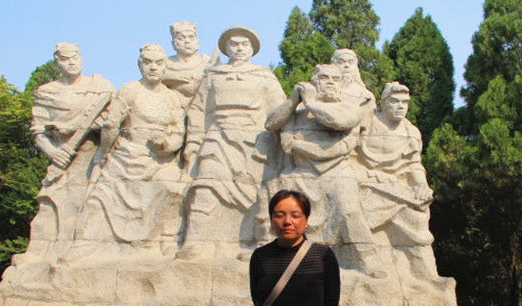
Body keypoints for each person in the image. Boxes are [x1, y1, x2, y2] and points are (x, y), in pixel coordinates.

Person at [62, 44, 185, 262]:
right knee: (99, 198)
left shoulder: (171, 98)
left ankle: (165, 242)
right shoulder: (130, 90)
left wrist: (166, 144)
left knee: (172, 189)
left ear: (166, 66)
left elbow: (179, 131)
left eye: (158, 63)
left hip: (158, 160)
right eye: (148, 63)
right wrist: (106, 152)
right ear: (140, 65)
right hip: (126, 156)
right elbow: (111, 125)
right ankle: (84, 244)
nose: (153, 68)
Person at [265, 64, 385, 277]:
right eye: (324, 78)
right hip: (301, 173)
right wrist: (294, 101)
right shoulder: (297, 114)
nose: (330, 82)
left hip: (338, 172)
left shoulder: (349, 108)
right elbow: (271, 124)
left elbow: (341, 123)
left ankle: (367, 259)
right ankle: (276, 255)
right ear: (314, 82)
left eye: (336, 79)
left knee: (350, 209)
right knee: (283, 207)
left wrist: (310, 105)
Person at [178, 26, 286, 261]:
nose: (239, 48)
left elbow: (278, 111)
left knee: (259, 194)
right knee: (205, 187)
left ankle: (261, 242)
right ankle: (194, 242)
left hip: (254, 143)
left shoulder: (264, 75)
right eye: (234, 44)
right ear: (226, 48)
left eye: (244, 44)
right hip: (217, 139)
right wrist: (193, 142)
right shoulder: (213, 75)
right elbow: (198, 110)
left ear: (253, 50)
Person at [24, 43, 114, 259]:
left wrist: (98, 125)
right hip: (62, 158)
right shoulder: (47, 92)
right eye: (65, 59)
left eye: (75, 57)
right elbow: (38, 130)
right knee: (56, 205)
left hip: (93, 156)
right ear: (57, 63)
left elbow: (113, 123)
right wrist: (53, 153)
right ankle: (49, 252)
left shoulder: (101, 87)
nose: (71, 62)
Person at [356, 82, 439, 279]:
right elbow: (348, 155)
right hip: (366, 182)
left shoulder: (411, 132)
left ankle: (424, 276)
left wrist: (421, 185)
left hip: (397, 187)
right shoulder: (366, 123)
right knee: (356, 216)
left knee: (418, 217)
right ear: (383, 103)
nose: (400, 106)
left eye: (405, 102)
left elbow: (414, 164)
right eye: (394, 101)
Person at [161, 21, 213, 106]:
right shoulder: (165, 63)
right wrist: (172, 78)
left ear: (197, 42)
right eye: (182, 38)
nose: (187, 42)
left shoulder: (205, 61)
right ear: (174, 43)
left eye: (191, 38)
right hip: (174, 106)